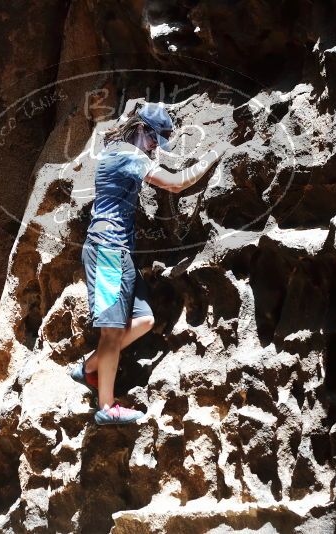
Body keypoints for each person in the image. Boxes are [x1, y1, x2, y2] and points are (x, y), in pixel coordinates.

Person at [71, 102, 230, 425]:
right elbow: (176, 183)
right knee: (112, 331)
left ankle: (87, 366)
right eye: (155, 138)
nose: (157, 146)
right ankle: (106, 407)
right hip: (106, 250)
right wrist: (214, 155)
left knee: (143, 320)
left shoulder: (118, 151)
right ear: (141, 129)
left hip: (120, 252)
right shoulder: (126, 154)